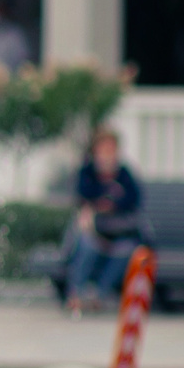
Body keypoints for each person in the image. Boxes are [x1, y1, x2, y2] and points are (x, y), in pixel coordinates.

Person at [62, 126, 147, 315]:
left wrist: (109, 204)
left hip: (116, 233)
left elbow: (133, 200)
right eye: (103, 148)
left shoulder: (124, 173)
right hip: (92, 229)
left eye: (111, 148)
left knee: (127, 251)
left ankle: (98, 295)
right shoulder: (87, 172)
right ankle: (75, 294)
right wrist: (107, 199)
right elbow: (83, 196)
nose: (107, 153)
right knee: (87, 246)